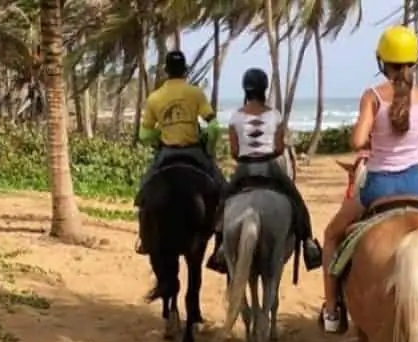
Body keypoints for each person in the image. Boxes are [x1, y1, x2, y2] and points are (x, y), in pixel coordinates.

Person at [318, 25, 418, 334]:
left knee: (331, 235)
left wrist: (370, 141)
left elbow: (358, 140)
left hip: (378, 185)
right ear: (414, 60)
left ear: (382, 61)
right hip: (416, 184)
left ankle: (331, 310)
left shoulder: (372, 96)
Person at [206, 68, 322, 275]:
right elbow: (278, 148)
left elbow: (234, 151)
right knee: (296, 199)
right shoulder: (274, 115)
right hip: (270, 166)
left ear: (246, 89)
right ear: (264, 89)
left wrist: (246, 153)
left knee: (224, 200)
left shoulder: (235, 117)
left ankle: (220, 248)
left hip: (244, 168)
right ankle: (308, 243)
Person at [135, 50, 225, 258]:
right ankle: (221, 243)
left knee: (144, 192)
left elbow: (144, 134)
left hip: (167, 153)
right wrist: (208, 146)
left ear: (166, 71)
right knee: (224, 191)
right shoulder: (195, 93)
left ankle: (144, 238)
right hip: (194, 151)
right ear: (185, 70)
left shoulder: (155, 97)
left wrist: (159, 136)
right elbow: (213, 127)